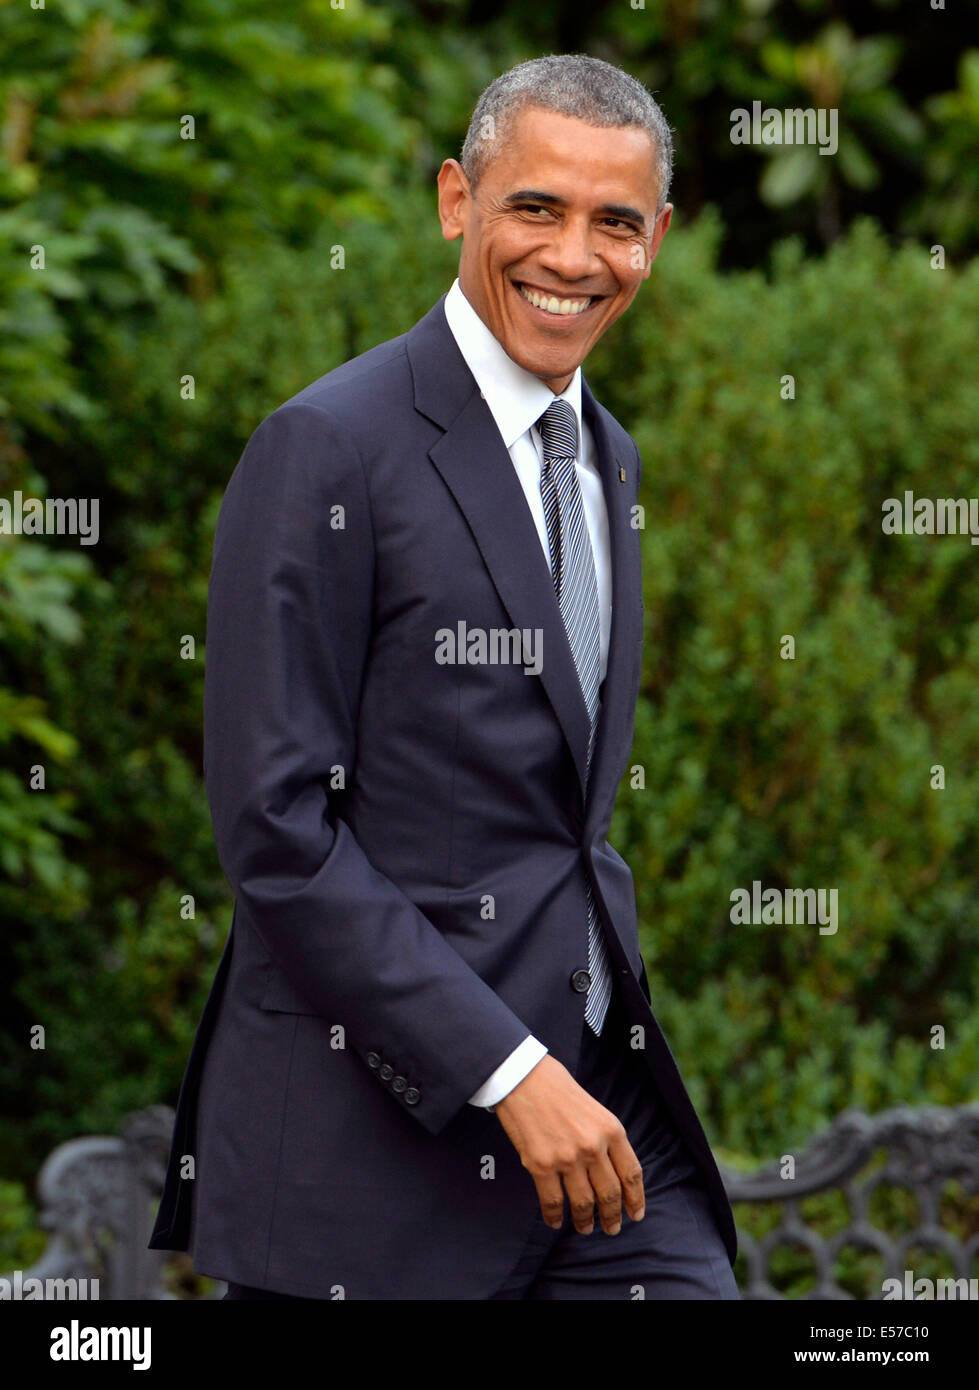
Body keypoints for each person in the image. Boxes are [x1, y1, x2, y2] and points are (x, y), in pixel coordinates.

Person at [148, 52, 739, 1301]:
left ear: (660, 239)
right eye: (536, 207)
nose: (574, 256)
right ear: (454, 201)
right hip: (370, 1169)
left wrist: (567, 1062)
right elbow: (276, 832)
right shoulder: (327, 446)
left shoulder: (607, 460)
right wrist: (509, 1071)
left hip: (600, 1132)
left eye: (615, 223)